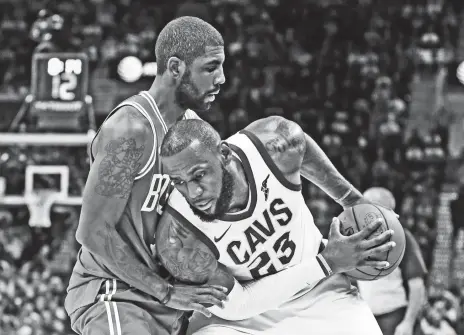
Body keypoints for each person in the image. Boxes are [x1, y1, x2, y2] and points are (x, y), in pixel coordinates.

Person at [155, 117, 397, 335]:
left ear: (225, 154)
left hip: (322, 291)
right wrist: (327, 262)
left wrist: (352, 200)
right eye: (178, 182)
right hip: (244, 320)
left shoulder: (271, 146)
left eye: (199, 175)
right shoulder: (178, 236)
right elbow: (238, 304)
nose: (193, 192)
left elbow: (300, 143)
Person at [65, 16, 228, 335]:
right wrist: (166, 292)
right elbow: (93, 231)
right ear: (176, 68)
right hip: (117, 295)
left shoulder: (194, 130)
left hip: (171, 305)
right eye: (211, 67)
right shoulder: (130, 130)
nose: (221, 78)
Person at [358, 187, 427, 335]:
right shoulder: (358, 238)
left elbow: (417, 286)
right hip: (367, 319)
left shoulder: (402, 238)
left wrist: (408, 322)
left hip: (395, 318)